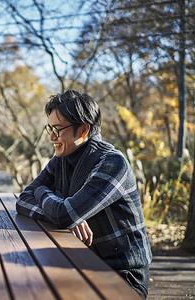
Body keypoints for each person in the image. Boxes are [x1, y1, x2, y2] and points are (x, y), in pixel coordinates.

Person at [16, 90, 152, 298]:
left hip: (121, 275)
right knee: (24, 285)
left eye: (58, 129)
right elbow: (24, 200)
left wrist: (50, 199)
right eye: (50, 128)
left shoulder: (112, 163)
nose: (52, 137)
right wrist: (63, 212)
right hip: (78, 263)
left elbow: (63, 215)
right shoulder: (61, 159)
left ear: (83, 130)